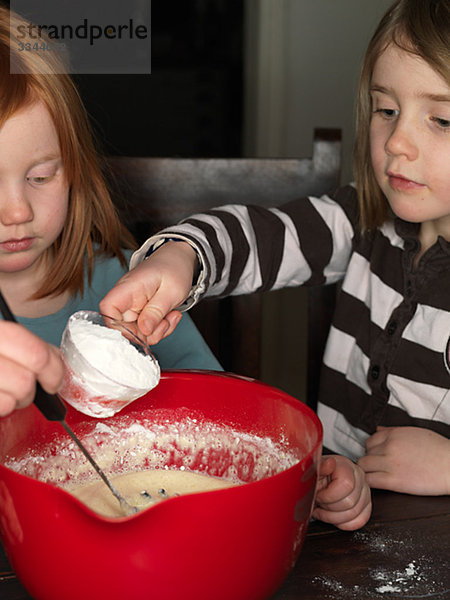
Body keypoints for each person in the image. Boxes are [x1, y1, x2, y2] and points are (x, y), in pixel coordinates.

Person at [100, 0, 450, 528]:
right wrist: (183, 257)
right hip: (336, 533)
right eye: (386, 110)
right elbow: (259, 235)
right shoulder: (360, 223)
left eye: (442, 119)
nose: (397, 142)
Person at [0, 7, 221, 415]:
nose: (16, 212)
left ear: (74, 170)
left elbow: (208, 405)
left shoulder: (120, 284)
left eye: (41, 177)